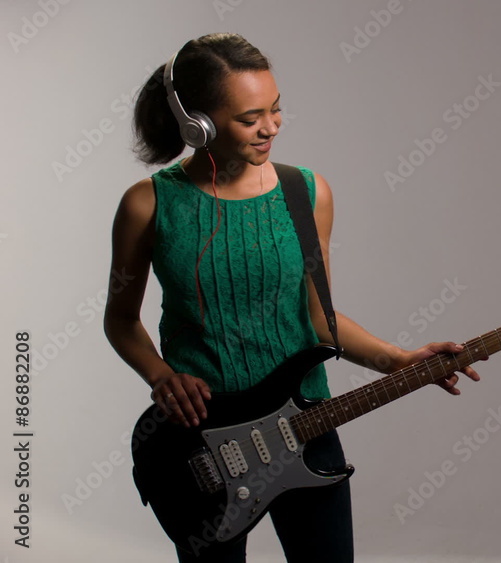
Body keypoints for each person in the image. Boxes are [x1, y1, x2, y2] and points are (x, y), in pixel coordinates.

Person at [103, 32, 481, 563]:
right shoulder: (148, 205)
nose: (271, 127)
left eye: (276, 110)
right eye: (249, 117)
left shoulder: (307, 193)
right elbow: (121, 321)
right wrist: (162, 377)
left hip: (305, 424)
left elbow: (318, 320)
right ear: (198, 124)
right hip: (199, 443)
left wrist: (398, 359)